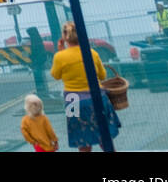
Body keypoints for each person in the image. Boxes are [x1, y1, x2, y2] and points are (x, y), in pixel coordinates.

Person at [50, 21, 120, 152]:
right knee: (104, 137)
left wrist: (60, 51)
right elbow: (103, 75)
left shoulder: (60, 57)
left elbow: (56, 75)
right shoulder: (92, 53)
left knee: (81, 138)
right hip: (97, 97)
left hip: (72, 99)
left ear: (65, 37)